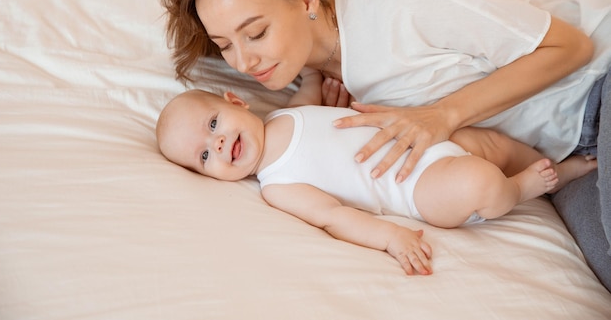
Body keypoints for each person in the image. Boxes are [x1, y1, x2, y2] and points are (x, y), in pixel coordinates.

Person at [160, 0, 610, 288]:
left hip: (594, 96)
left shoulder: (399, 6)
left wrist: (443, 115)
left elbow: (570, 49)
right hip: (558, 159)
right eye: (225, 45)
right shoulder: (310, 87)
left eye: (255, 33)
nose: (244, 61)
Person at [155, 70, 595, 276]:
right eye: (204, 157)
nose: (216, 145)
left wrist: (314, 79)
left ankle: (554, 169)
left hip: (424, 142)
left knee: (494, 144)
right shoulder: (277, 186)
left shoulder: (283, 117)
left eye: (213, 125)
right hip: (419, 188)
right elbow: (333, 216)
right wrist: (389, 238)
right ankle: (523, 188)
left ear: (236, 102)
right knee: (481, 183)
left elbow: (311, 97)